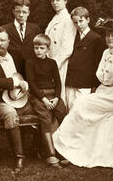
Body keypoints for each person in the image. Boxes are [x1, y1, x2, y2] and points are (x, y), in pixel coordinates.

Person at [52, 18, 113, 171]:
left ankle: (67, 147)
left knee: (80, 105)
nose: (110, 38)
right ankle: (75, 148)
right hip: (103, 93)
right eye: (107, 35)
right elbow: (102, 76)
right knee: (78, 105)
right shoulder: (106, 52)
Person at [0, 27, 33, 172]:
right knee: (10, 114)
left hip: (22, 98)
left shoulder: (16, 56)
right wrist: (13, 82)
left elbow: (28, 74)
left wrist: (27, 83)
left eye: (2, 40)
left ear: (8, 41)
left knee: (41, 108)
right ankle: (19, 157)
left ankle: (43, 151)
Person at [34, 0, 81, 103]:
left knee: (60, 95)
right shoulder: (55, 18)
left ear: (65, 1)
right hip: (50, 62)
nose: (55, 3)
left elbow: (67, 48)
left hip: (60, 64)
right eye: (52, 0)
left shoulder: (68, 19)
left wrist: (53, 65)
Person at [26, 34, 67, 168]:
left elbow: (58, 82)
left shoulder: (52, 63)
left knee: (62, 112)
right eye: (36, 47)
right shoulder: (30, 62)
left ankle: (61, 150)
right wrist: (44, 100)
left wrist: (56, 98)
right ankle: (50, 154)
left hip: (52, 95)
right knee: (45, 117)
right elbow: (31, 83)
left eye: (41, 48)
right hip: (38, 96)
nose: (38, 50)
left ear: (47, 49)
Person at [65, 7, 105, 111]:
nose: (78, 25)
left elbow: (98, 63)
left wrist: (95, 85)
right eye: (75, 22)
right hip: (70, 82)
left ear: (88, 19)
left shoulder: (96, 39)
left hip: (85, 84)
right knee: (69, 111)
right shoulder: (72, 37)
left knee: (81, 111)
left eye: (81, 21)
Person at [3, 0, 41, 78]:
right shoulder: (5, 29)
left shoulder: (35, 29)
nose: (21, 15)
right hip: (12, 70)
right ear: (13, 11)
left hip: (31, 70)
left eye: (24, 12)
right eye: (18, 11)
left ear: (29, 13)